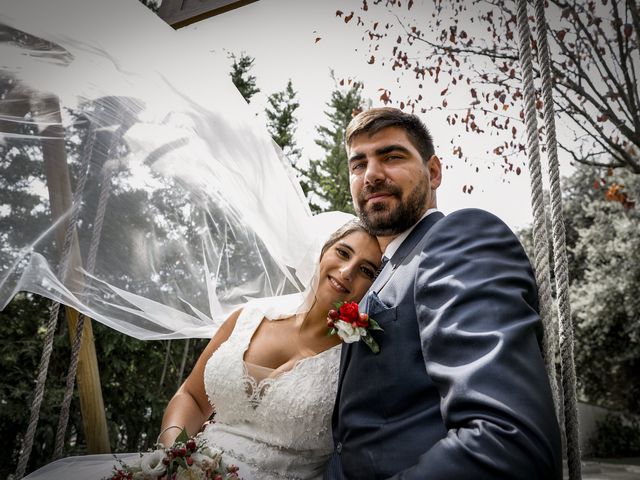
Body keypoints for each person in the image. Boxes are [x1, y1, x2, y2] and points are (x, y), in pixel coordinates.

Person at [22, 218, 381, 480]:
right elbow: (193, 397)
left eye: (366, 269)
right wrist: (172, 453)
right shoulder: (248, 317)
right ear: (322, 252)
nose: (347, 272)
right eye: (342, 252)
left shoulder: (360, 356)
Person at [325, 108, 563, 479]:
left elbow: (507, 443)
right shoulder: (379, 274)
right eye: (358, 164)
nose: (371, 174)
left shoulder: (459, 239)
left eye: (391, 156)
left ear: (433, 172)